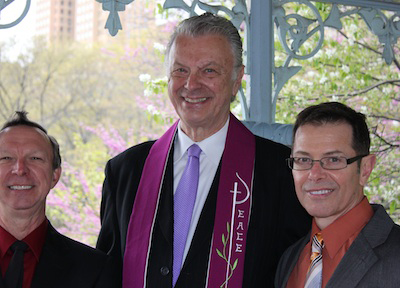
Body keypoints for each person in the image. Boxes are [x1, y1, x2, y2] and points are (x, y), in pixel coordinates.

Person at [96, 12, 310, 287]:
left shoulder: (282, 172)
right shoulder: (125, 171)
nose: (191, 84)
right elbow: (106, 274)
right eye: (180, 70)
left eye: (208, 70)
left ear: (236, 80)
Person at [0, 111, 115, 288]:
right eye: (7, 158)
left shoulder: (94, 269)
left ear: (55, 176)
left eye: (35, 158)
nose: (20, 169)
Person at [275, 102, 400, 288]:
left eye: (333, 159)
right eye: (303, 160)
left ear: (365, 169)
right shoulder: (290, 259)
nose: (315, 174)